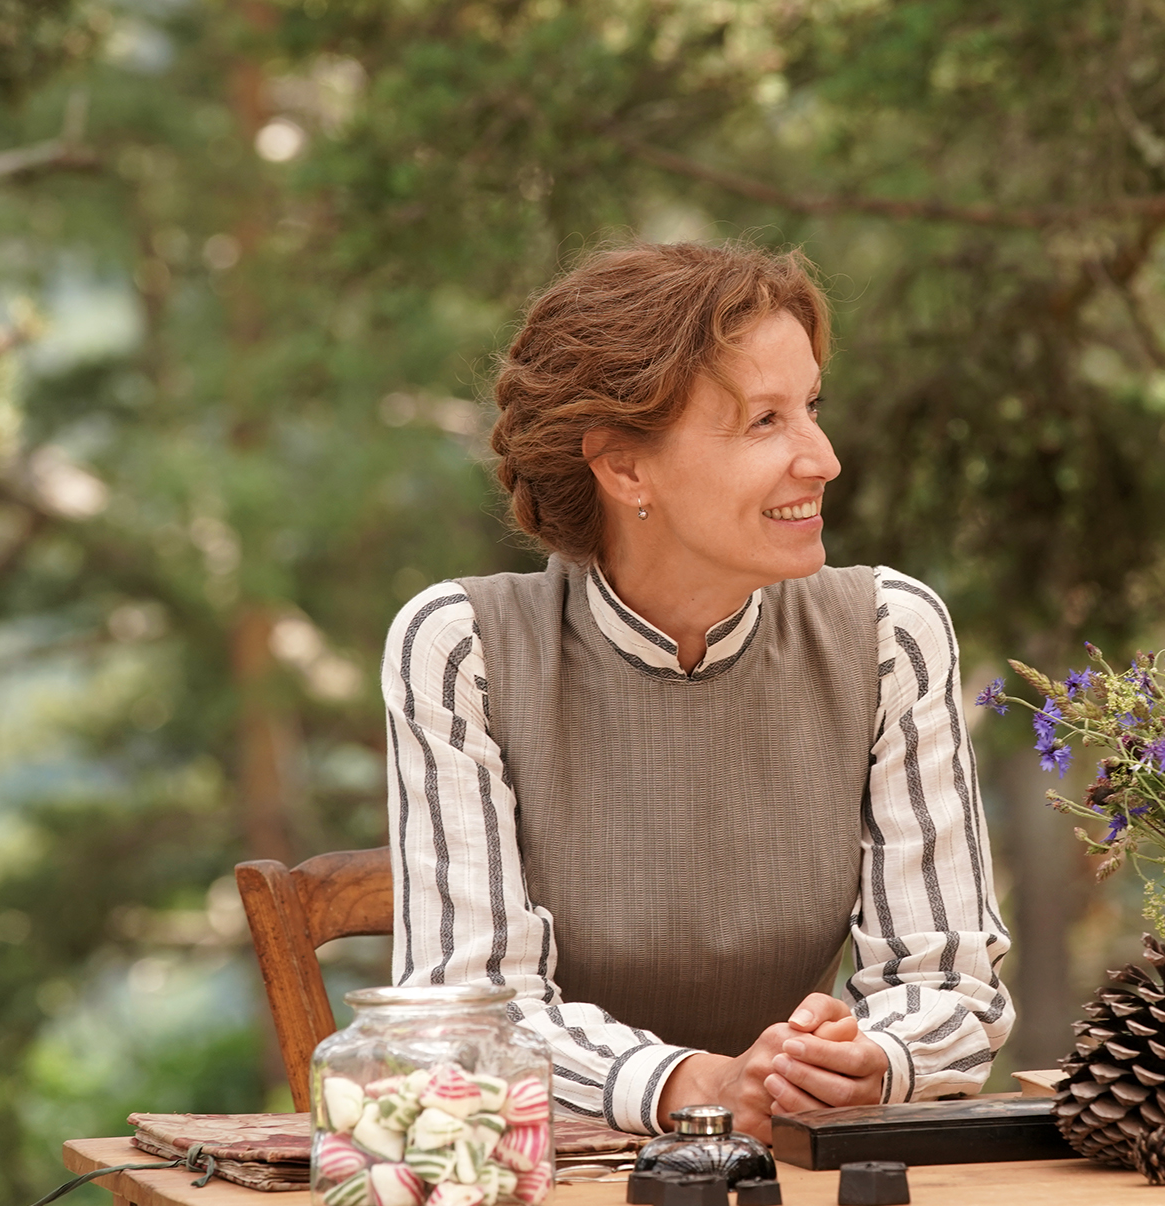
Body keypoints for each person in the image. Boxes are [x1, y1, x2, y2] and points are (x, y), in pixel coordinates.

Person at [382, 240, 1012, 1138]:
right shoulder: (462, 647)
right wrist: (696, 1083)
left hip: (805, 1181)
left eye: (811, 408)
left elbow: (949, 984)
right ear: (624, 468)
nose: (822, 457)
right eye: (765, 420)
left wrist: (863, 1058)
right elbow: (469, 1016)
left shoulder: (886, 633)